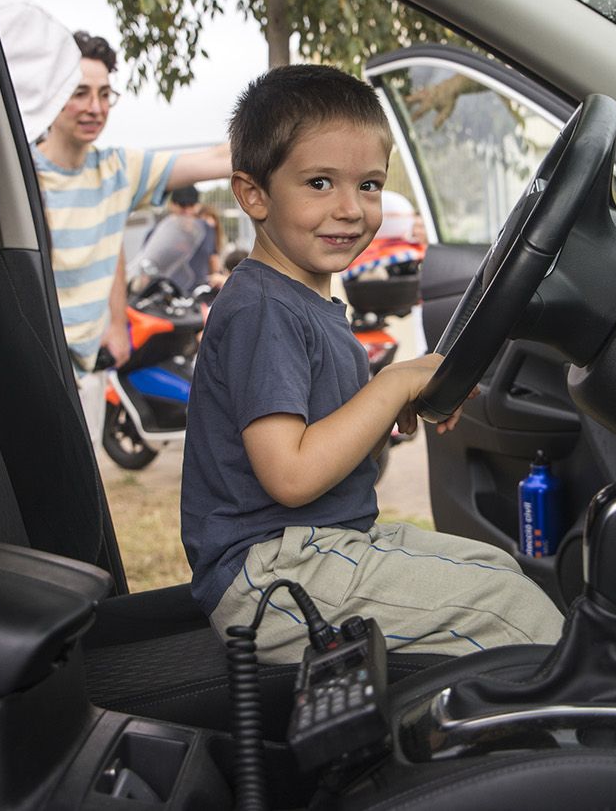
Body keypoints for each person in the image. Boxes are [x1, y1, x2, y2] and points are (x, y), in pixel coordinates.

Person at [181, 64, 565, 664]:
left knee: (498, 568)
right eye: (319, 183)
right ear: (253, 194)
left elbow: (321, 437)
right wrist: (391, 385)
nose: (350, 209)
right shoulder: (263, 308)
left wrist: (386, 409)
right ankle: (580, 720)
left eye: (368, 185)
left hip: (322, 547)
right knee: (506, 609)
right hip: (272, 575)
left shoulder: (304, 302)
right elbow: (291, 474)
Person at [0, 1, 231, 446]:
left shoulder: (119, 170)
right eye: (80, 93)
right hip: (28, 367)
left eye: (105, 94)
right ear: (52, 94)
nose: (95, 107)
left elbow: (217, 159)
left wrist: (117, 325)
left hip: (86, 371)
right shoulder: (17, 174)